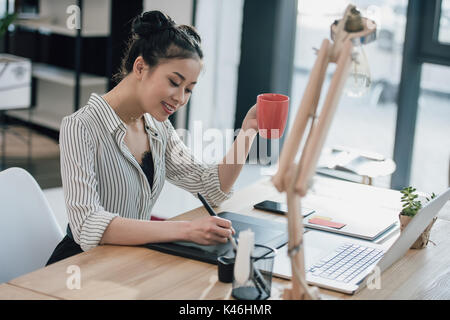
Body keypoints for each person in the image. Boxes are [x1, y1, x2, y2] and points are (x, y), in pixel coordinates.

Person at [46, 10, 258, 265]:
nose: (180, 99)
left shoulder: (158, 129)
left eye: (188, 89)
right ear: (140, 67)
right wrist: (186, 229)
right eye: (173, 82)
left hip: (130, 260)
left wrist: (247, 131)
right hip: (81, 265)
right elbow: (87, 224)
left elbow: (210, 188)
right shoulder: (80, 127)